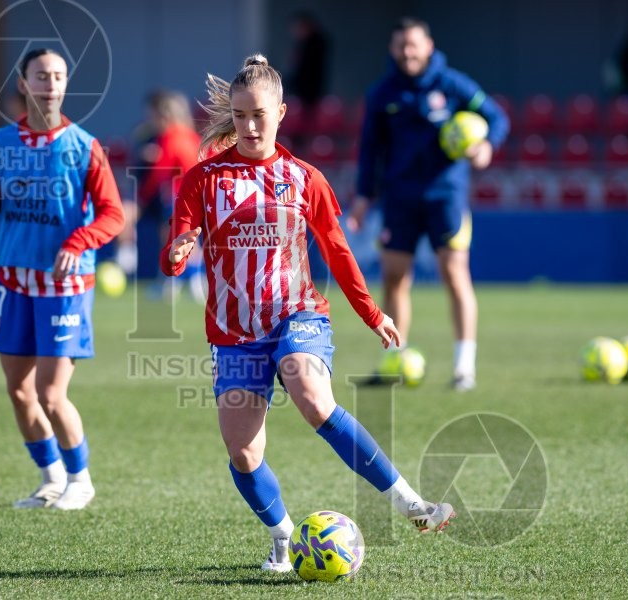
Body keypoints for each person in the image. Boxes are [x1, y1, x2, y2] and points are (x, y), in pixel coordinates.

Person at [161, 54, 455, 573]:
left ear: (282, 112)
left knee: (313, 396)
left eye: (260, 114)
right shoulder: (203, 180)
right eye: (241, 114)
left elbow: (338, 253)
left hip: (297, 315)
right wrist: (179, 250)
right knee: (243, 454)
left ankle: (412, 504)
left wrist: (372, 314)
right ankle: (283, 537)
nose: (250, 125)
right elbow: (172, 253)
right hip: (233, 333)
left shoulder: (304, 178)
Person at [0, 48, 125, 510]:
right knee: (20, 391)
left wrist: (77, 242)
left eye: (58, 75)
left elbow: (113, 215)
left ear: (66, 85)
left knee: (50, 393)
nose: (50, 82)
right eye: (41, 75)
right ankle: (51, 479)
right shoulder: (4, 142)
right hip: (14, 282)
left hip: (63, 286)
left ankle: (80, 481)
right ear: (24, 84)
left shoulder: (84, 146)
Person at [347, 17, 509, 392]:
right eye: (401, 46)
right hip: (399, 197)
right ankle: (395, 362)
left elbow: (497, 118)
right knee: (394, 277)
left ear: (429, 47)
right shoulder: (382, 93)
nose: (408, 52)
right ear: (393, 49)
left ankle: (463, 367)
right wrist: (362, 198)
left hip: (446, 195)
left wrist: (486, 146)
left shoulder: (453, 84)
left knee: (454, 274)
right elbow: (370, 150)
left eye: (414, 45)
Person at [136, 89, 205, 301]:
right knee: (189, 242)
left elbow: (159, 173)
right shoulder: (193, 137)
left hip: (180, 198)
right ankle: (192, 286)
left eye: (153, 116)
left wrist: (141, 199)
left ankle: (172, 284)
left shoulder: (170, 138)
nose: (150, 120)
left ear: (164, 115)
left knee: (176, 241)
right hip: (198, 197)